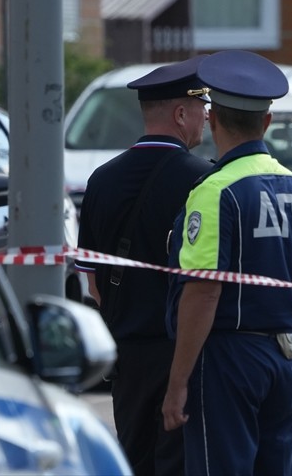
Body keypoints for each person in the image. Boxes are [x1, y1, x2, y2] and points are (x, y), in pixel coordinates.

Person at [162, 50, 292, 476]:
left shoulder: (216, 190)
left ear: (213, 119)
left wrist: (178, 381)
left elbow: (203, 291)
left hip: (229, 360)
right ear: (266, 122)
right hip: (284, 357)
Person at [75, 57, 213, 476]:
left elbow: (93, 282)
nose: (207, 119)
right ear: (180, 114)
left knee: (135, 460)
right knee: (181, 462)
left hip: (128, 355)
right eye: (202, 109)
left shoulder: (101, 179)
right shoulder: (203, 181)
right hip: (185, 351)